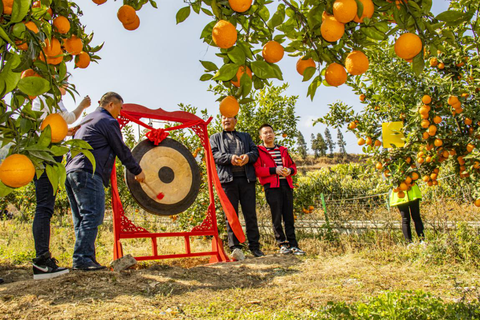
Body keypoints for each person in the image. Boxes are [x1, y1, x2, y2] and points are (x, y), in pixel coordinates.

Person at [65, 92, 145, 270]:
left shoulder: (87, 120)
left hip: (71, 172)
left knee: (82, 218)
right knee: (92, 215)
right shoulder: (108, 121)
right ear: (110, 105)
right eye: (120, 108)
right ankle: (82, 259)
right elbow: (121, 149)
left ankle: (86, 259)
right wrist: (137, 170)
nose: (121, 112)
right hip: (88, 172)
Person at [31, 90, 91, 280]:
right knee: (44, 207)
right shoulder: (50, 97)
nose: (66, 87)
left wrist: (66, 131)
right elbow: (69, 117)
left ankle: (42, 260)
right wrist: (83, 104)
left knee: (44, 206)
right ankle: (41, 262)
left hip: (40, 153)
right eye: (65, 82)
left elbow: (49, 127)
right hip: (47, 155)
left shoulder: (40, 99)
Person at [210, 115, 264, 260]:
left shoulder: (245, 136)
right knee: (231, 216)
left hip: (247, 180)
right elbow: (214, 155)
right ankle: (236, 248)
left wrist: (247, 157)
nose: (226, 120)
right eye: (223, 118)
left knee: (250, 214)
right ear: (221, 121)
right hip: (228, 181)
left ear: (236, 121)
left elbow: (255, 152)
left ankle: (255, 247)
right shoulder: (215, 137)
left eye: (229, 118)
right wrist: (230, 158)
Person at [254, 124, 305, 255]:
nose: (268, 135)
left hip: (286, 186)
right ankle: (282, 244)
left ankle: (294, 244)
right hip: (272, 187)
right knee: (276, 216)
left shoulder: (283, 150)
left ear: (274, 134)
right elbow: (257, 170)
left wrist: (289, 170)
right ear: (261, 137)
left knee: (289, 216)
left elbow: (293, 167)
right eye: (265, 133)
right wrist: (273, 170)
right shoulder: (258, 151)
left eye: (270, 132)